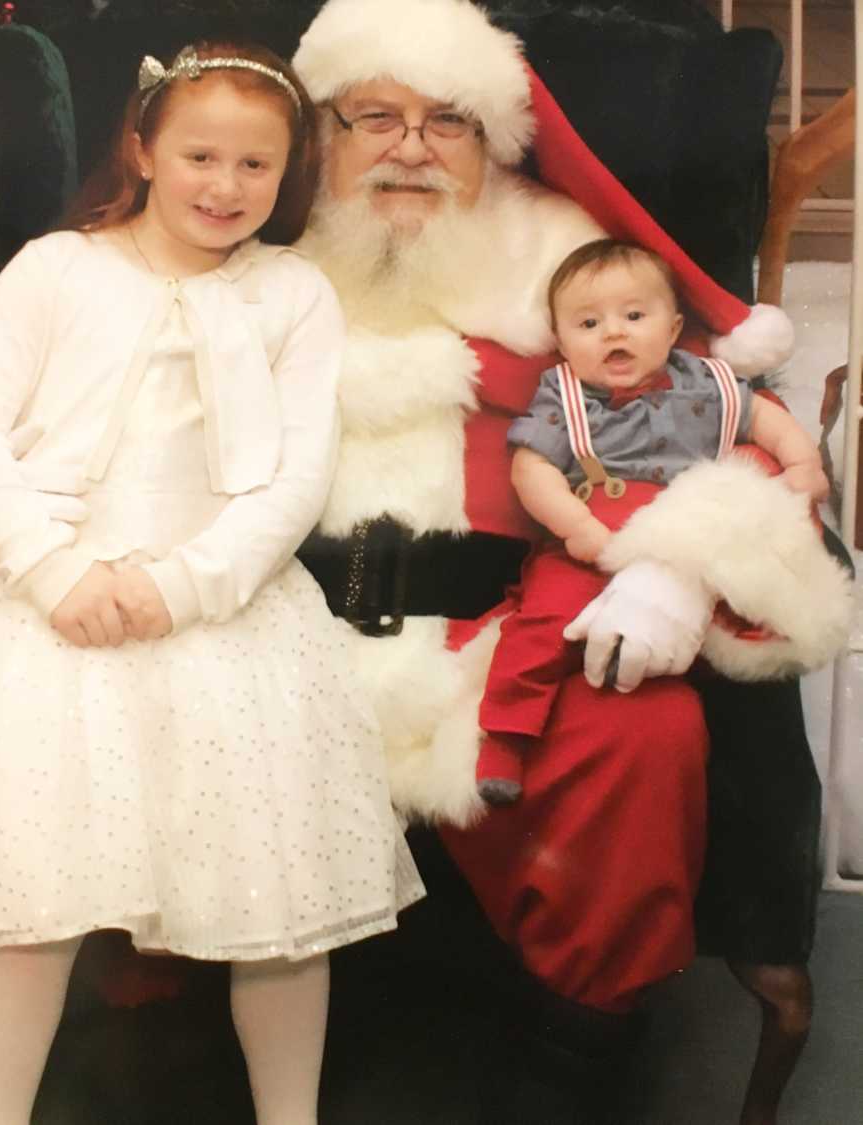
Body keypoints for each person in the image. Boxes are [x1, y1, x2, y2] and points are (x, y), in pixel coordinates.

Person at [291, 0, 835, 1119]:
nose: (407, 145)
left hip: (503, 627)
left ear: (493, 140)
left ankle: (576, 1068)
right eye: (374, 117)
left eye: (446, 120)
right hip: (279, 620)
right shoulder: (261, 249)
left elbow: (703, 406)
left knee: (643, 732)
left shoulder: (563, 269)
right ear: (325, 133)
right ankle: (153, 1018)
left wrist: (767, 481)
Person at [0, 39, 423, 1125]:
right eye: (201, 157)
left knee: (276, 903)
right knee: (30, 909)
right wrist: (52, 565)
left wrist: (187, 585)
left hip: (227, 619)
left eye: (255, 167)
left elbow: (296, 477)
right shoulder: (58, 269)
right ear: (143, 148)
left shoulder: (293, 295)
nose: (225, 188)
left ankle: (289, 1113)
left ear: (288, 174)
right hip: (53, 615)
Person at [477, 237, 844, 804]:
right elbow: (532, 469)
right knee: (540, 623)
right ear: (561, 340)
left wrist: (802, 465)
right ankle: (505, 737)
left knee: (748, 611)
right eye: (589, 323)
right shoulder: (564, 395)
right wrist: (575, 526)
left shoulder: (709, 382)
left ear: (673, 329)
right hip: (593, 537)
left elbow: (766, 421)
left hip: (684, 548)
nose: (614, 333)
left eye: (633, 316)